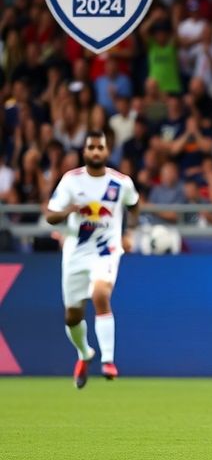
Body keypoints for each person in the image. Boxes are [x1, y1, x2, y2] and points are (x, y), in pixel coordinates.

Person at [45, 131, 140, 389]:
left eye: (100, 147)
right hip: (76, 252)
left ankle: (108, 361)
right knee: (72, 316)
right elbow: (50, 216)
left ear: (107, 152)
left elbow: (134, 205)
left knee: (100, 295)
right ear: (84, 151)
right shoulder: (71, 181)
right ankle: (84, 352)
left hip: (106, 250)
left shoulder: (121, 182)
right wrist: (70, 210)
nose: (96, 151)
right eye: (91, 147)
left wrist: (128, 232)